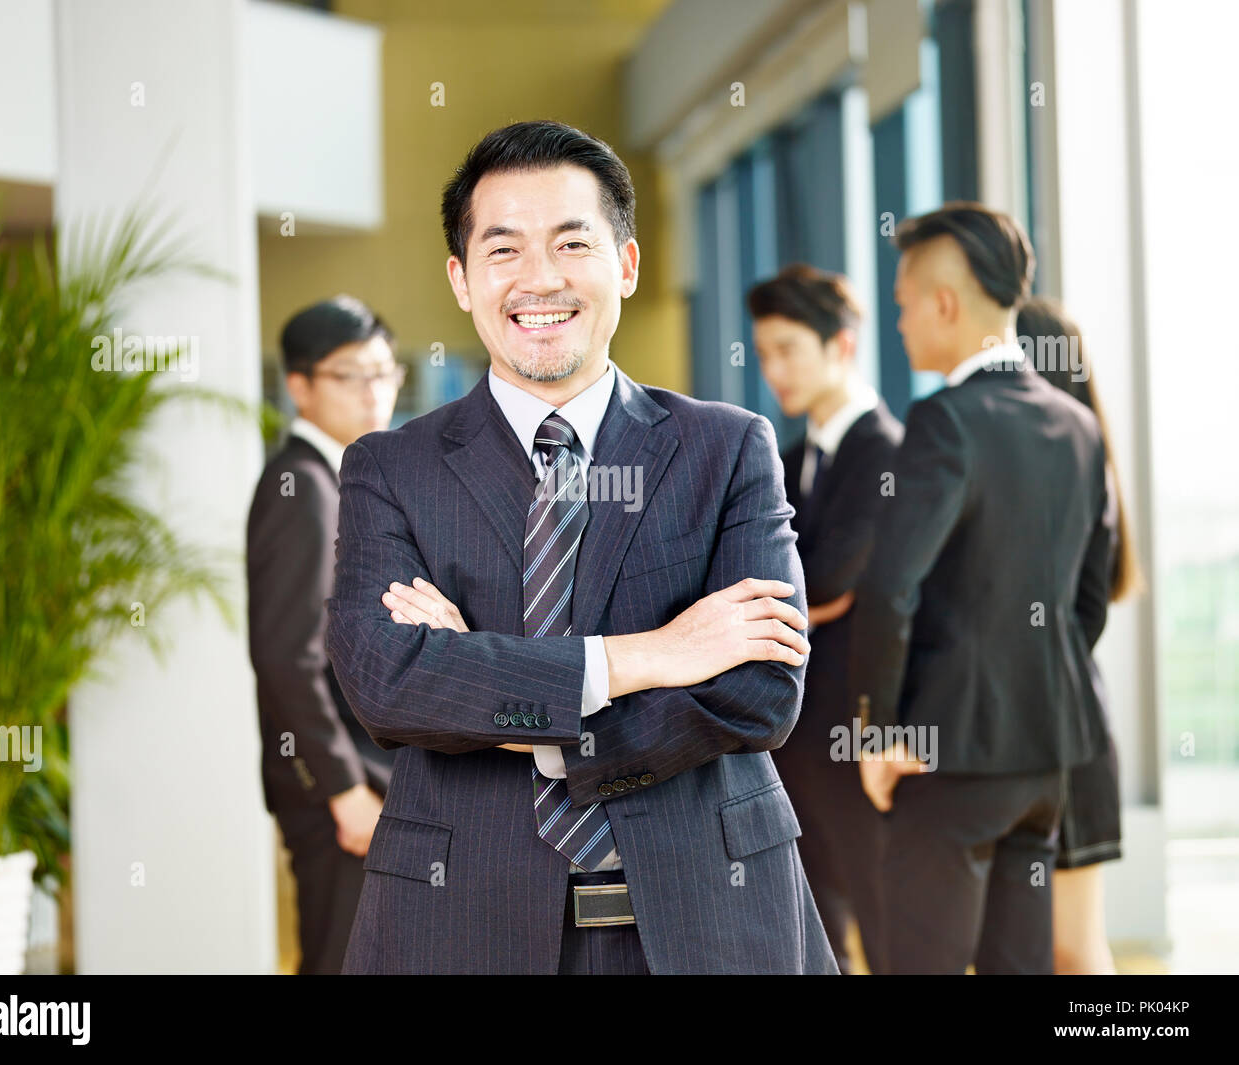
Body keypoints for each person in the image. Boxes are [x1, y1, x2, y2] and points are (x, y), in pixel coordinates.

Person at [326, 119, 836, 974]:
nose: (540, 279)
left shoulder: (727, 447)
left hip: (706, 911)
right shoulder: (390, 467)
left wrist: (507, 700)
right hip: (462, 914)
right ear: (460, 279)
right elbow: (389, 682)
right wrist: (655, 654)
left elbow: (760, 689)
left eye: (571, 242)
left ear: (626, 265)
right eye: (503, 251)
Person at [849, 202, 1114, 974]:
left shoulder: (944, 420)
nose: (898, 324)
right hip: (1045, 756)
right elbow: (1087, 599)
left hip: (949, 755)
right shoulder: (1076, 424)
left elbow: (890, 584)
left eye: (902, 306)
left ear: (943, 303)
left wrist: (876, 731)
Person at [749, 263, 902, 974]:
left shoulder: (888, 453)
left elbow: (831, 579)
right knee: (811, 938)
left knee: (888, 925)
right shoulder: (787, 458)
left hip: (859, 732)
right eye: (764, 354)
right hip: (793, 737)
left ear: (840, 344)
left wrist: (751, 611)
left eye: (788, 350)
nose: (773, 370)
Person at [246, 296, 404, 974]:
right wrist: (344, 790)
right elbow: (286, 655)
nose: (374, 391)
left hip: (362, 778)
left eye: (384, 371)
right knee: (342, 958)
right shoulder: (301, 485)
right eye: (350, 375)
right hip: (342, 788)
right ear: (300, 385)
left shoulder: (343, 474)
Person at [1016, 295, 1143, 975]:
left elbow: (1073, 618)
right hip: (1029, 737)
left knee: (1074, 950)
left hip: (1067, 737)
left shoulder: (1079, 472)